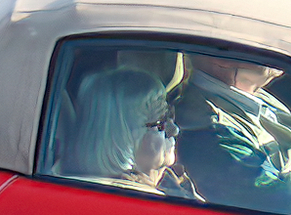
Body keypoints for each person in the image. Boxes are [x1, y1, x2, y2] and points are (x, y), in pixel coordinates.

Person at [171, 55, 291, 215]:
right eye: (261, 42)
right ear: (222, 59)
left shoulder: (247, 96)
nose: (281, 46)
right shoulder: (213, 134)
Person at [52, 55, 198, 199]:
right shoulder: (128, 199)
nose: (174, 130)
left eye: (170, 117)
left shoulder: (169, 180)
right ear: (120, 138)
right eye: (160, 124)